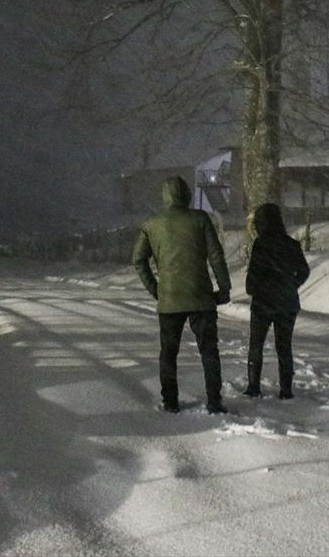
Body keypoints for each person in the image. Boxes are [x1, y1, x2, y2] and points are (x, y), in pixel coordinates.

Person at [132, 176, 232, 414]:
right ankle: (215, 402)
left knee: (169, 353)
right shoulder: (200, 219)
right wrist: (224, 287)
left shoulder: (152, 224)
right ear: (186, 195)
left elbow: (138, 259)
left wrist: (155, 289)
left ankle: (170, 401)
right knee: (209, 351)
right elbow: (216, 255)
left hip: (170, 299)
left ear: (165, 197)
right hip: (201, 296)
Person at [243, 202, 309, 400]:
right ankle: (286, 390)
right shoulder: (292, 244)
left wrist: (253, 288)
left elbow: (254, 274)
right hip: (287, 303)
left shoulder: (261, 245)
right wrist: (291, 285)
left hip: (263, 302)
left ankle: (254, 387)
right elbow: (304, 271)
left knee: (256, 345)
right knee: (284, 347)